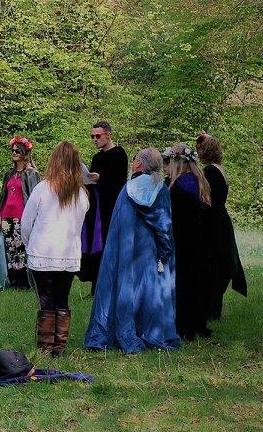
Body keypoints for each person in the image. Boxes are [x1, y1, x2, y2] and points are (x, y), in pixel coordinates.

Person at [84, 148, 180, 353]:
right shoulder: (161, 189)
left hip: (126, 247)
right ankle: (148, 330)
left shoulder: (127, 189)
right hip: (149, 248)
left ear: (138, 164)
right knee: (148, 288)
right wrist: (165, 252)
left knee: (126, 286)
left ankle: (119, 330)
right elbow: (164, 225)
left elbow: (117, 224)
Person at [21, 141, 90, 356]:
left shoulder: (43, 188)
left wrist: (29, 244)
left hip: (43, 252)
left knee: (46, 301)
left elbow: (26, 223)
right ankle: (58, 348)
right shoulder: (81, 194)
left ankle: (45, 348)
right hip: (68, 254)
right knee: (62, 299)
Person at [195, 133, 247, 319]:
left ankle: (211, 309)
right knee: (220, 262)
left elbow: (204, 198)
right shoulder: (220, 169)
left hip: (213, 221)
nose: (198, 153)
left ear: (206, 152)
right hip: (221, 218)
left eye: (200, 150)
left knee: (214, 264)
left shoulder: (210, 171)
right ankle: (213, 308)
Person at [164, 143, 213, 341]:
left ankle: (184, 326)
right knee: (198, 280)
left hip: (182, 239)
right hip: (201, 239)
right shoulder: (201, 181)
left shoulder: (176, 186)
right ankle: (199, 322)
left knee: (183, 282)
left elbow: (173, 217)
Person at [0, 136, 39, 289]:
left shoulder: (32, 173)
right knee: (9, 251)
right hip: (6, 218)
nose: (14, 153)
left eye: (17, 151)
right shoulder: (9, 173)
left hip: (23, 218)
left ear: (24, 153)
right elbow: (4, 197)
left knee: (22, 250)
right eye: (13, 150)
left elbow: (35, 198)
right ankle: (11, 281)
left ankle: (24, 283)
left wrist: (34, 219)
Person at [82, 121, 128, 289]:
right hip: (96, 208)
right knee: (95, 245)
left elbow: (120, 183)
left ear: (108, 134)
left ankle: (109, 286)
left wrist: (101, 179)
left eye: (98, 136)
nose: (95, 139)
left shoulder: (119, 154)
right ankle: (96, 285)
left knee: (108, 244)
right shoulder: (97, 157)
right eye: (92, 136)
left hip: (111, 208)